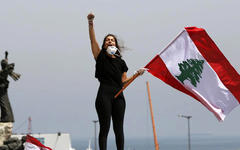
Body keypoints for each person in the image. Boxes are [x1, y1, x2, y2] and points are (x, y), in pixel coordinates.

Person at [87, 13, 145, 150]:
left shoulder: (121, 62)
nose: (110, 41)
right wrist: (90, 23)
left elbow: (124, 82)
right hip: (104, 95)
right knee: (105, 127)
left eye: (112, 40)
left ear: (116, 44)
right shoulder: (100, 56)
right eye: (107, 40)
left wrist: (137, 74)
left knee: (119, 129)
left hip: (119, 96)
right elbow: (92, 41)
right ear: (104, 44)